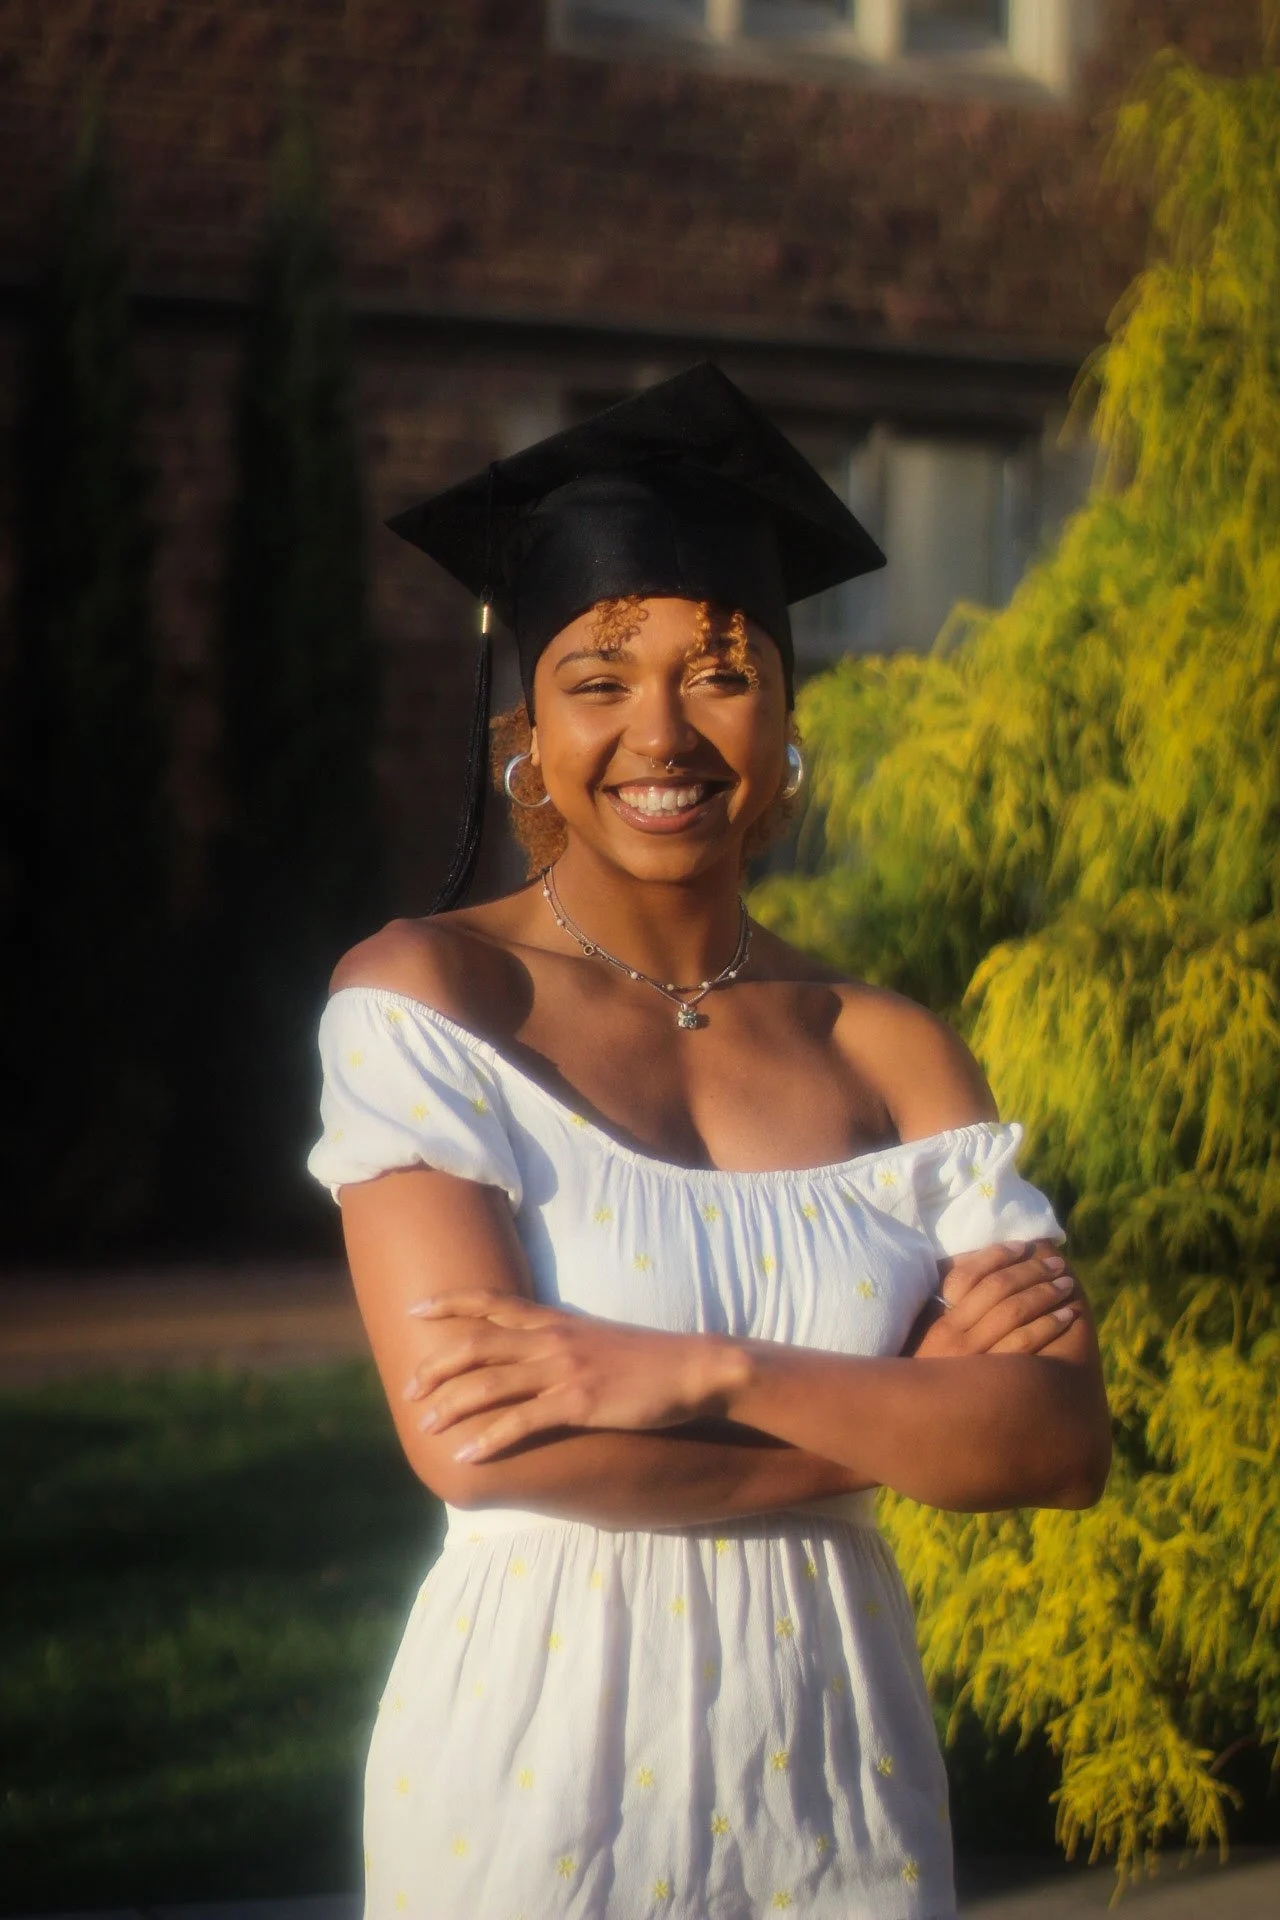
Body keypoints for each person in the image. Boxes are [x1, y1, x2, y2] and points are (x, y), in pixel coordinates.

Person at [307, 365, 1111, 1920]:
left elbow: (1060, 1446)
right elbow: (479, 1445)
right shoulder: (428, 999)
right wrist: (908, 1420)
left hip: (840, 1771)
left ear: (789, 718)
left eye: (722, 673)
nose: (661, 733)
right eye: (599, 678)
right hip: (535, 1766)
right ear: (527, 731)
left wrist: (705, 1371)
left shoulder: (890, 1048)